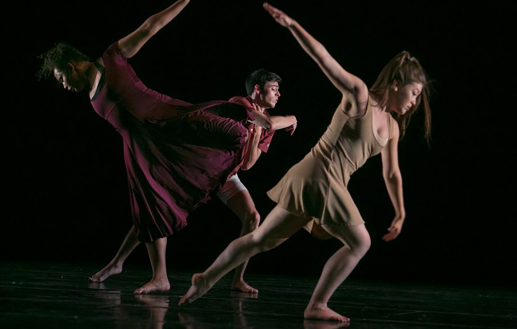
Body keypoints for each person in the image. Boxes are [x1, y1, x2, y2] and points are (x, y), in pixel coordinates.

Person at [179, 2, 432, 323]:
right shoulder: (359, 95)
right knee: (360, 241)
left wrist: (401, 210)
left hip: (322, 182)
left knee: (260, 240)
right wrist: (292, 25)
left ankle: (205, 278)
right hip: (318, 174)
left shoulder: (393, 127)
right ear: (396, 83)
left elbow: (392, 173)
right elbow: (323, 58)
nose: (413, 103)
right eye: (413, 94)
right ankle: (317, 305)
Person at [36, 0, 296, 294]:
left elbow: (151, 26)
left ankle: (251, 118)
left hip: (166, 120)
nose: (64, 85)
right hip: (144, 147)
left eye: (61, 78)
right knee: (151, 205)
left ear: (70, 66)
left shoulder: (112, 58)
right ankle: (158, 276)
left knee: (217, 120)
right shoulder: (92, 96)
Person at [87, 68, 297, 294]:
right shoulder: (239, 103)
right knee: (157, 210)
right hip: (203, 167)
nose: (278, 94)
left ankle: (238, 279)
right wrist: (293, 119)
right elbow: (268, 123)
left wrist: (256, 135)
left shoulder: (267, 124)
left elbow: (247, 164)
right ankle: (117, 263)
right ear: (257, 89)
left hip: (227, 174)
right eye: (274, 89)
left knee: (252, 217)